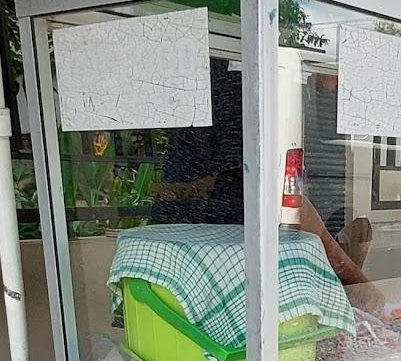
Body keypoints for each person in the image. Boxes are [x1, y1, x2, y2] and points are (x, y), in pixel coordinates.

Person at [149, 59, 384, 314]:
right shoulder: (247, 85)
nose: (336, 88)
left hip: (215, 246)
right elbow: (287, 203)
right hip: (205, 256)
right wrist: (356, 281)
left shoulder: (284, 85)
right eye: (340, 75)